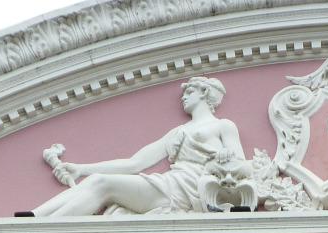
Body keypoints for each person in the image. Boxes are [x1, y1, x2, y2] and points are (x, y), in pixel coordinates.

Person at [32, 77, 245, 217]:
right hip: (169, 184)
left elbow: (243, 169)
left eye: (189, 91)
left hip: (183, 191)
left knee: (103, 184)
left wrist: (229, 155)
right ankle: (35, 217)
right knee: (97, 180)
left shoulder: (223, 126)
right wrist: (81, 169)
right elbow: (135, 163)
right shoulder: (177, 132)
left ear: (205, 93)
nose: (183, 96)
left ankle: (43, 227)